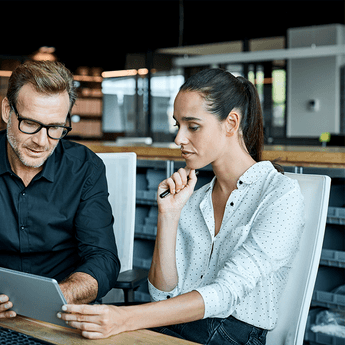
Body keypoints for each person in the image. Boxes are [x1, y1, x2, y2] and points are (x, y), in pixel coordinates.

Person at [58, 68, 305, 345]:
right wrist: (169, 215)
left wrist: (124, 318)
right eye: (178, 125)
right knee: (77, 333)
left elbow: (225, 294)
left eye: (193, 126)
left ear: (231, 123)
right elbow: (162, 295)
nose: (179, 139)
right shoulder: (195, 198)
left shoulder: (280, 195)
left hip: (234, 335)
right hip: (183, 326)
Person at [0, 60, 120, 319]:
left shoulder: (86, 168)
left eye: (55, 128)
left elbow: (102, 258)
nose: (41, 141)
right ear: (7, 110)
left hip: (64, 310)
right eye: (29, 123)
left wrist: (59, 296)